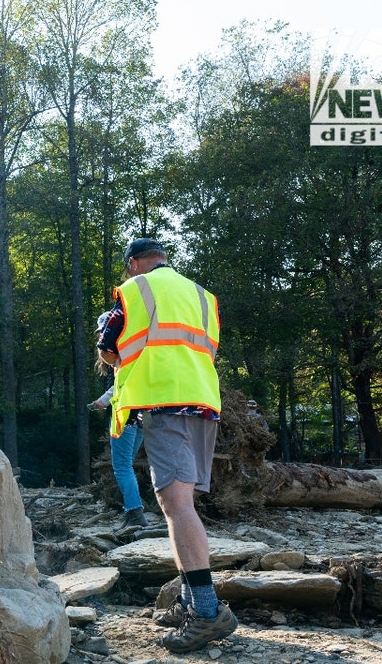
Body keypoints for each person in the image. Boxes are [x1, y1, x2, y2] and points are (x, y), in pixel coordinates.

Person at [96, 238, 237, 654]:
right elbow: (205, 348)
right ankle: (192, 601)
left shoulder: (136, 290)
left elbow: (110, 350)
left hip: (164, 401)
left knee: (177, 506)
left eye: (127, 269)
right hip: (201, 401)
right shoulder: (200, 295)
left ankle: (207, 613)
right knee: (183, 504)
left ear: (134, 263)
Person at [89, 311, 147, 531]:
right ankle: (131, 513)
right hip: (141, 419)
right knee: (127, 467)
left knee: (122, 468)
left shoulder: (122, 358)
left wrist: (103, 401)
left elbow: (121, 386)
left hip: (126, 418)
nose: (100, 340)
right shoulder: (137, 352)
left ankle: (136, 515)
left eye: (102, 334)